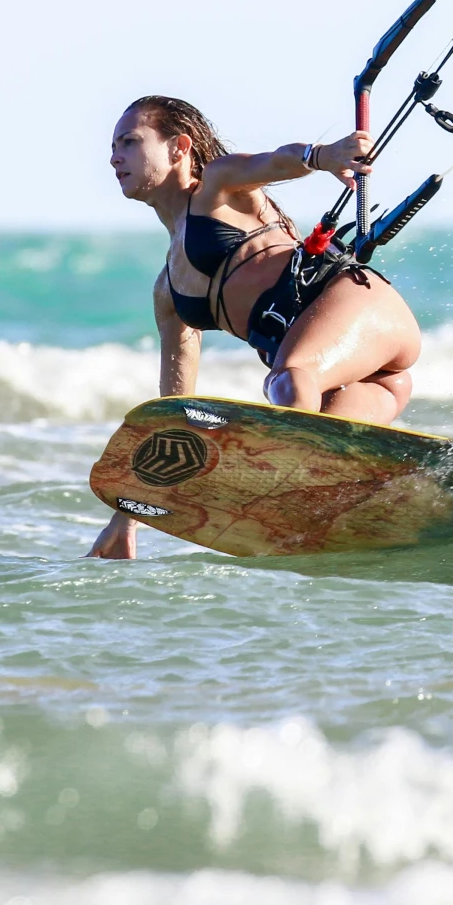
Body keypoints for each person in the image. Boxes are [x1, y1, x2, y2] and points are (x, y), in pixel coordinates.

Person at [89, 95, 423, 558]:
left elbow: (272, 161)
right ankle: (378, 504)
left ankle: (293, 502)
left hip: (366, 310)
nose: (114, 157)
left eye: (129, 142)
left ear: (179, 147)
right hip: (374, 382)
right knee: (316, 421)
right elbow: (173, 410)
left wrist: (324, 157)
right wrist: (130, 517)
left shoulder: (218, 189)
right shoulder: (169, 290)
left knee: (288, 380)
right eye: (112, 146)